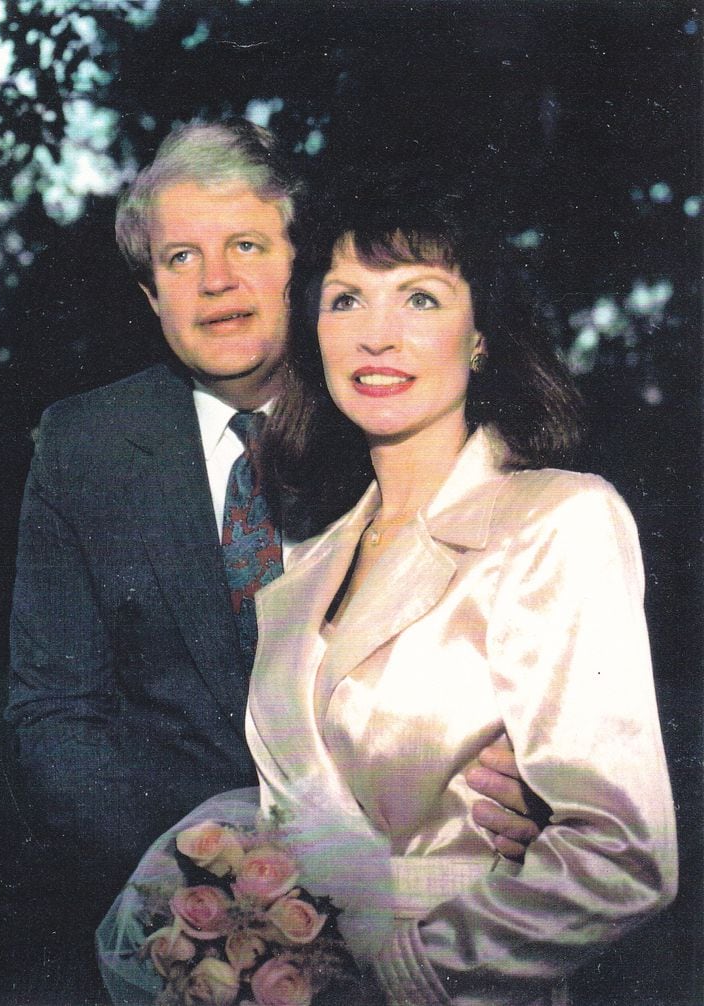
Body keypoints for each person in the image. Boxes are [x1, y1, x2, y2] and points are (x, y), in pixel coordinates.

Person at [97, 177, 677, 1005]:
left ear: (481, 338)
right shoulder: (302, 570)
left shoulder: (556, 519)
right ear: (315, 335)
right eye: (345, 302)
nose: (377, 336)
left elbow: (621, 854)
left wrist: (404, 976)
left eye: (419, 298)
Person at [4, 122, 536, 962]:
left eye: (247, 244)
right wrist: (199, 895)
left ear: (303, 265)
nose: (217, 281)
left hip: (424, 913)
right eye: (181, 259)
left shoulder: (402, 410)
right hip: (190, 926)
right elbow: (56, 716)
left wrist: (538, 780)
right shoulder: (84, 447)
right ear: (151, 297)